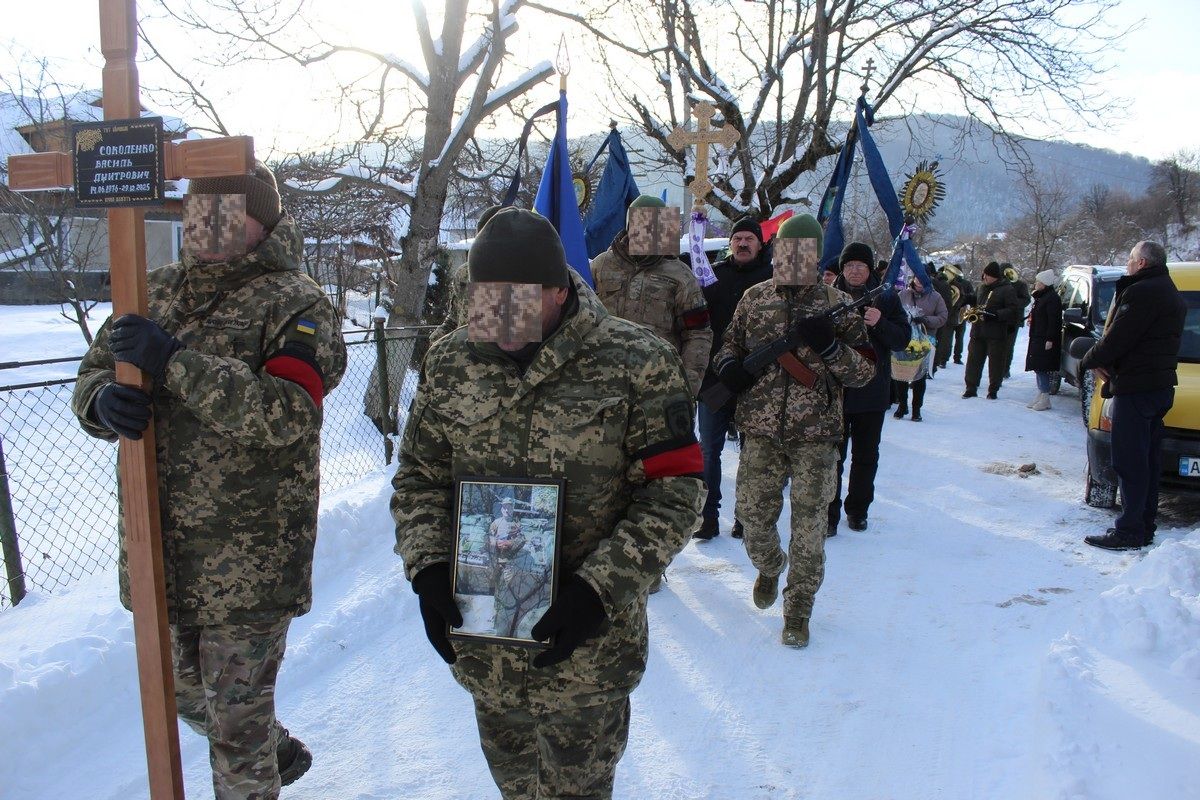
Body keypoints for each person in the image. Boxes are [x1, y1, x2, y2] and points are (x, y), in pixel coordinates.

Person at [391, 208, 703, 798]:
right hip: (488, 649)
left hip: (585, 652)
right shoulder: (451, 360)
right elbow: (420, 478)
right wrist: (429, 568)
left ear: (560, 290)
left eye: (522, 303)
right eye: (490, 304)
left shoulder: (635, 361)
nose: (504, 324)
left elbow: (675, 490)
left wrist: (598, 589)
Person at [71, 162, 346, 798]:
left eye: (225, 212)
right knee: (182, 694)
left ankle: (257, 759)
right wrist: (100, 401)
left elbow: (286, 414)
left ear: (261, 221)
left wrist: (172, 363)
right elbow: (93, 372)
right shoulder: (152, 290)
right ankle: (275, 750)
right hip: (158, 549)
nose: (206, 225)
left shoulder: (295, 301)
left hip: (248, 559)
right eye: (197, 211)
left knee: (234, 726)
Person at [713, 216, 875, 647]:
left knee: (809, 527)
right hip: (761, 429)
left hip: (817, 434)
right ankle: (769, 564)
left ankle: (799, 607)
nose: (792, 260)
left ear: (816, 254)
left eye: (802, 252)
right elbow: (730, 343)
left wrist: (830, 347)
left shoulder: (837, 304)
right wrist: (727, 365)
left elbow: (864, 373)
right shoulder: (754, 298)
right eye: (785, 251)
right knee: (751, 516)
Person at [1080, 241, 1186, 551]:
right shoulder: (1168, 291)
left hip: (1137, 389)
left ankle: (1129, 531)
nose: (1127, 265)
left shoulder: (1143, 292)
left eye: (1129, 260)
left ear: (1141, 263)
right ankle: (1144, 525)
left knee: (1130, 463)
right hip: (1158, 386)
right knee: (1147, 462)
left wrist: (1090, 359)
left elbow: (1118, 339)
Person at [693, 216, 774, 541]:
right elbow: (699, 324)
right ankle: (708, 517)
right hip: (715, 381)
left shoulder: (772, 279)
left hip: (758, 383)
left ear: (759, 244)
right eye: (737, 238)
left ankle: (744, 516)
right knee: (709, 452)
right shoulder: (713, 278)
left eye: (749, 239)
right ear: (730, 244)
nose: (742, 244)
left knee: (751, 453)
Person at [590, 194, 712, 396]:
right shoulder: (601, 265)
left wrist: (687, 386)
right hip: (603, 382)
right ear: (629, 226)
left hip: (657, 388)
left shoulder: (681, 276)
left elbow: (698, 334)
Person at [827, 242, 909, 535]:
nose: (855, 271)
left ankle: (858, 510)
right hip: (834, 391)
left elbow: (902, 339)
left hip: (872, 392)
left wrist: (880, 323)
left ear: (870, 268)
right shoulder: (828, 295)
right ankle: (829, 514)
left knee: (866, 456)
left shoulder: (886, 298)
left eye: (861, 265)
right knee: (831, 458)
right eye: (849, 265)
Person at [962, 261, 1024, 399]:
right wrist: (967, 299)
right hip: (978, 331)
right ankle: (971, 388)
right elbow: (977, 301)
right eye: (984, 275)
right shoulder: (981, 287)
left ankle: (993, 390)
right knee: (973, 361)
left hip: (996, 333)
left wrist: (996, 315)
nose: (984, 278)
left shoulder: (1008, 289)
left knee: (996, 363)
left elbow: (1013, 310)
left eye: (987, 276)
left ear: (995, 276)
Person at [894, 273, 949, 422]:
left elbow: (943, 317)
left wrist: (924, 320)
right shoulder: (903, 294)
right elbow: (894, 312)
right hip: (905, 339)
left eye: (922, 277)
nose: (919, 280)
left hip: (925, 340)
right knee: (902, 374)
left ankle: (916, 409)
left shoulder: (935, 296)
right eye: (917, 277)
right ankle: (902, 405)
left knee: (919, 377)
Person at [1025, 269, 1063, 411]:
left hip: (1044, 338)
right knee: (1037, 367)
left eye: (1038, 282)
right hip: (1037, 337)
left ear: (1044, 284)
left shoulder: (1052, 299)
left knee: (1042, 368)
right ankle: (1041, 393)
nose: (1036, 284)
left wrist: (1050, 339)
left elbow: (1054, 321)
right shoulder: (1042, 297)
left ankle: (1045, 395)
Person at [942, 263, 976, 365]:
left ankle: (944, 359)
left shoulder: (949, 283)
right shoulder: (967, 283)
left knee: (948, 338)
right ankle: (957, 358)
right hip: (961, 313)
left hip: (954, 313)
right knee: (959, 337)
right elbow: (972, 297)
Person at [1002, 264, 1031, 379]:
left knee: (1009, 346)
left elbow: (1026, 299)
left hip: (1013, 320)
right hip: (1000, 319)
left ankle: (1006, 369)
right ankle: (998, 368)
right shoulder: (999, 284)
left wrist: (1012, 302)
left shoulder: (1020, 285)